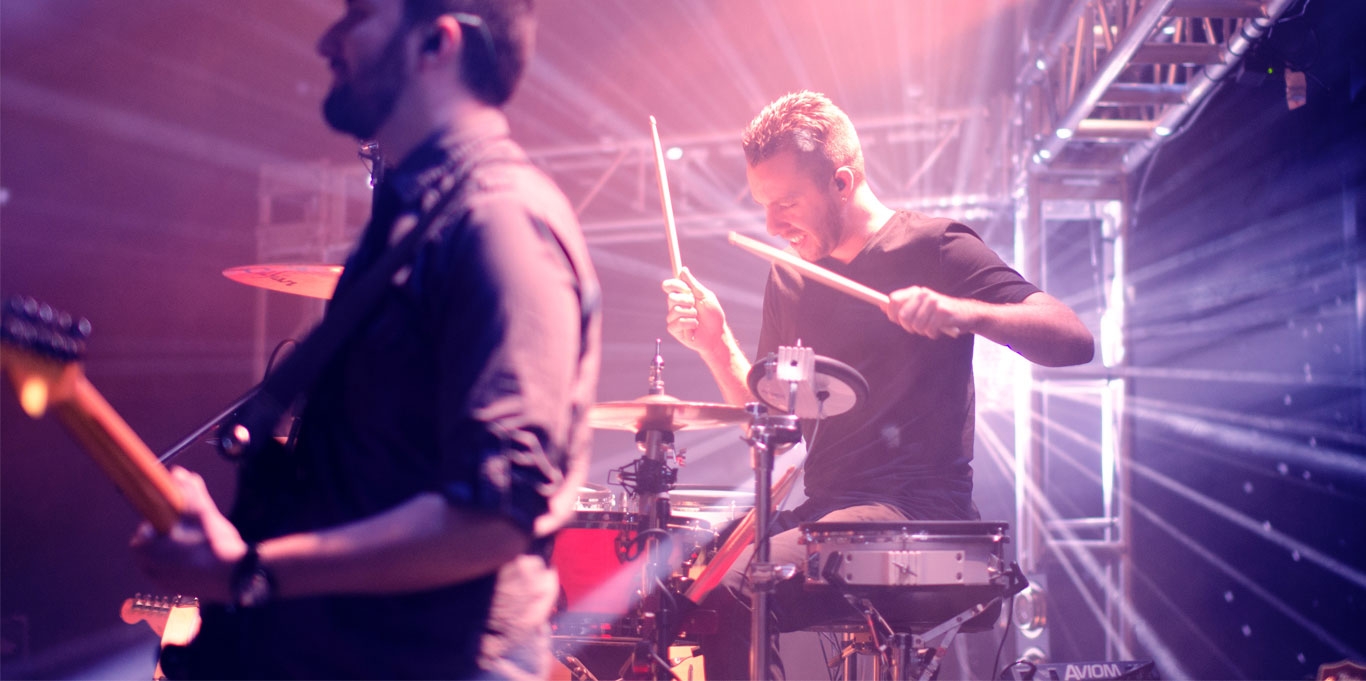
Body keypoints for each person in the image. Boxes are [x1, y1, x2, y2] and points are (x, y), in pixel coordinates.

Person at [130, 0, 600, 678]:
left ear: (436, 44)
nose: (330, 40)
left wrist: (252, 573)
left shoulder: (500, 220)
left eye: (360, 15)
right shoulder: (420, 220)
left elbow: (498, 508)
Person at [662, 90, 1093, 679]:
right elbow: (774, 423)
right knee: (676, 588)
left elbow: (1071, 336)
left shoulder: (934, 247)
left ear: (842, 181)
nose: (772, 224)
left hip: (919, 513)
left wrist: (964, 311)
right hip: (829, 514)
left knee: (736, 589)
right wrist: (715, 342)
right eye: (763, 204)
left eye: (787, 201)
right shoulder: (791, 276)